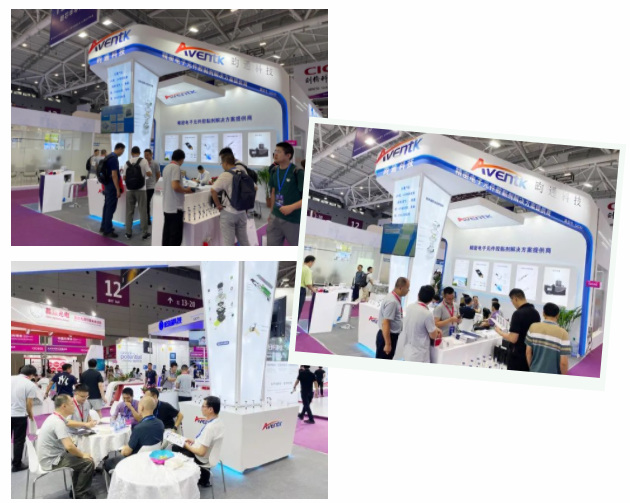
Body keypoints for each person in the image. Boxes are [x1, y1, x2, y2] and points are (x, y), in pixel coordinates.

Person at [37, 395, 95, 499]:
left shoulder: (55, 417)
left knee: (79, 458)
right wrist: (83, 455)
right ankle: (80, 494)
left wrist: (85, 424)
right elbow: (69, 447)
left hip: (48, 456)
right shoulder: (58, 422)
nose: (74, 406)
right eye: (71, 404)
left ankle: (76, 490)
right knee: (88, 462)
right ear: (64, 406)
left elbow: (68, 423)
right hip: (52, 461)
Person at [171, 396, 225, 488]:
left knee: (175, 447)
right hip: (210, 455)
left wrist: (185, 445)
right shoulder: (219, 422)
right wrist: (193, 441)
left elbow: (201, 453)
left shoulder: (210, 428)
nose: (201, 408)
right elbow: (208, 441)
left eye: (203, 406)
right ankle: (203, 479)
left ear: (210, 409)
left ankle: (185, 481)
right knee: (179, 445)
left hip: (202, 458)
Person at [104, 397, 164, 473]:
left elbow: (126, 452)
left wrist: (124, 449)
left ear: (141, 408)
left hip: (136, 460)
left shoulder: (138, 428)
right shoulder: (160, 423)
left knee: (107, 463)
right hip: (153, 459)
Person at [494, 288, 541, 371]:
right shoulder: (536, 313)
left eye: (511, 301)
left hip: (518, 355)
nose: (512, 303)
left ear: (515, 299)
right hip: (531, 354)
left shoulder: (518, 314)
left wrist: (499, 332)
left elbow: (513, 338)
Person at [266, 142, 304, 246]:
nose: (275, 154)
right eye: (275, 151)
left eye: (279, 151)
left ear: (288, 155)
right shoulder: (274, 171)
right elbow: (273, 192)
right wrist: (271, 212)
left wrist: (292, 207)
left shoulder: (297, 172)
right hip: (275, 217)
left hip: (293, 219)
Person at [211, 149, 250, 246]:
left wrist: (218, 205)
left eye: (222, 163)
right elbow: (254, 188)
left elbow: (213, 190)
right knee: (244, 241)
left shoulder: (225, 175)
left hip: (229, 213)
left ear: (225, 163)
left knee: (229, 243)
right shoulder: (243, 172)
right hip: (242, 212)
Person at [401, 285, 443, 363]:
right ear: (431, 299)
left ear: (418, 295)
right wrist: (436, 331)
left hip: (408, 350)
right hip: (419, 355)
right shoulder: (427, 314)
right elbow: (433, 336)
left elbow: (419, 324)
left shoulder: (410, 307)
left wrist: (435, 328)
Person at [526, 303, 571, 374]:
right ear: (558, 315)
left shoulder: (533, 327)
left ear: (543, 313)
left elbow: (528, 353)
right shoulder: (563, 333)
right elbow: (563, 363)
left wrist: (532, 368)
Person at [162, 149, 194, 246]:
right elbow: (175, 186)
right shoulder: (176, 167)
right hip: (175, 208)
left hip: (167, 206)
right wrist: (186, 190)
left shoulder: (166, 167)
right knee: (175, 237)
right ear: (182, 159)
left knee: (167, 234)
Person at [11, 365, 39, 472]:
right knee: (18, 441)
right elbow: (29, 404)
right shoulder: (30, 384)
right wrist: (31, 416)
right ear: (32, 375)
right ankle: (16, 465)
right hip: (20, 415)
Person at [375, 277, 410, 359]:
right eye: (407, 288)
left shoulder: (393, 297)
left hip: (389, 336)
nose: (408, 290)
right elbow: (386, 323)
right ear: (401, 288)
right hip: (387, 337)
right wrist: (388, 344)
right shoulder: (392, 302)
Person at [123, 146, 152, 240]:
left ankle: (128, 233)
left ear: (131, 153)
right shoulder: (144, 161)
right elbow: (149, 173)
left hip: (129, 190)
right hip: (141, 189)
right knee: (143, 211)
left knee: (129, 211)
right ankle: (144, 233)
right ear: (139, 153)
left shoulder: (127, 163)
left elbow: (124, 177)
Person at [101, 143, 126, 238]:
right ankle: (108, 230)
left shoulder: (108, 157)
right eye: (122, 151)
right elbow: (114, 175)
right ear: (120, 149)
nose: (122, 153)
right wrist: (117, 189)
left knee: (106, 207)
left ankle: (104, 226)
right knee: (110, 208)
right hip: (112, 186)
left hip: (107, 185)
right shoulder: (114, 159)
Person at [144, 149, 161, 224]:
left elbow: (158, 175)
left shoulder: (155, 163)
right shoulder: (143, 162)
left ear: (151, 154)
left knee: (147, 202)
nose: (146, 156)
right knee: (145, 203)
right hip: (143, 186)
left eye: (147, 155)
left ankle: (148, 219)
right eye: (145, 155)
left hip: (151, 186)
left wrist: (155, 184)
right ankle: (145, 218)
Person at [300, 255, 316, 324]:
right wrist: (313, 289)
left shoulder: (301, 266)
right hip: (301, 290)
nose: (312, 265)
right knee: (299, 308)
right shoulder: (308, 270)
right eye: (313, 263)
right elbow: (308, 284)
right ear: (310, 262)